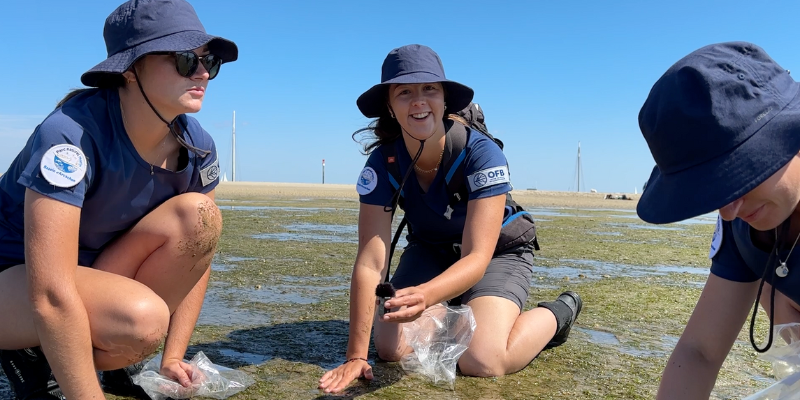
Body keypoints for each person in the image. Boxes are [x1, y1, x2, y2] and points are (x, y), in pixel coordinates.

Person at [0, 0, 237, 398]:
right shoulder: (70, 136)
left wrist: (172, 357)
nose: (202, 72)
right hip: (17, 278)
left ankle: (84, 354)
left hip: (93, 275)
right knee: (138, 319)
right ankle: (33, 351)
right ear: (129, 69)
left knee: (201, 216)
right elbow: (51, 292)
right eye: (184, 59)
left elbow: (199, 257)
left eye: (208, 61)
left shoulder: (197, 145)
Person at [318, 44, 582, 394]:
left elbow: (477, 257)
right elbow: (370, 262)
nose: (419, 101)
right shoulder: (383, 164)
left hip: (497, 254)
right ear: (389, 106)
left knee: (484, 360)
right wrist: (355, 355)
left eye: (429, 89)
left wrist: (425, 296)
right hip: (430, 249)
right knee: (388, 348)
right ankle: (459, 309)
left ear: (445, 100)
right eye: (404, 92)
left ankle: (559, 312)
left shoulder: (483, 154)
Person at [636, 42, 800, 399]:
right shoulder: (741, 222)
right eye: (712, 190)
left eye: (740, 175)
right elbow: (700, 351)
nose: (727, 210)